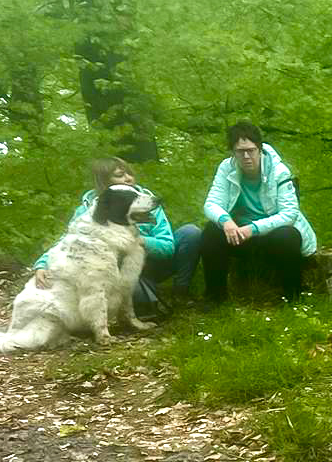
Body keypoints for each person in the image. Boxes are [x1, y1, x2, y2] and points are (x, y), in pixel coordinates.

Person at [31, 158, 191, 319]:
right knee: (140, 303)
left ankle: (181, 294)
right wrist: (42, 264)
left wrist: (140, 241)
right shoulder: (88, 209)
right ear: (104, 182)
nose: (128, 178)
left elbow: (167, 247)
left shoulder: (147, 202)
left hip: (153, 263)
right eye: (120, 175)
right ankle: (139, 298)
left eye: (129, 172)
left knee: (190, 233)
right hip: (117, 269)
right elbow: (67, 242)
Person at [182, 121, 317, 304]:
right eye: (240, 151)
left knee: (288, 235)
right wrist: (226, 221)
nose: (246, 156)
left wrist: (253, 228)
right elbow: (212, 203)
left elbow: (289, 214)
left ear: (260, 149)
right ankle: (215, 297)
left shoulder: (279, 171)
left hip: (271, 235)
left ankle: (293, 297)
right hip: (240, 234)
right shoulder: (226, 167)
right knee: (211, 232)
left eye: (251, 150)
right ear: (233, 152)